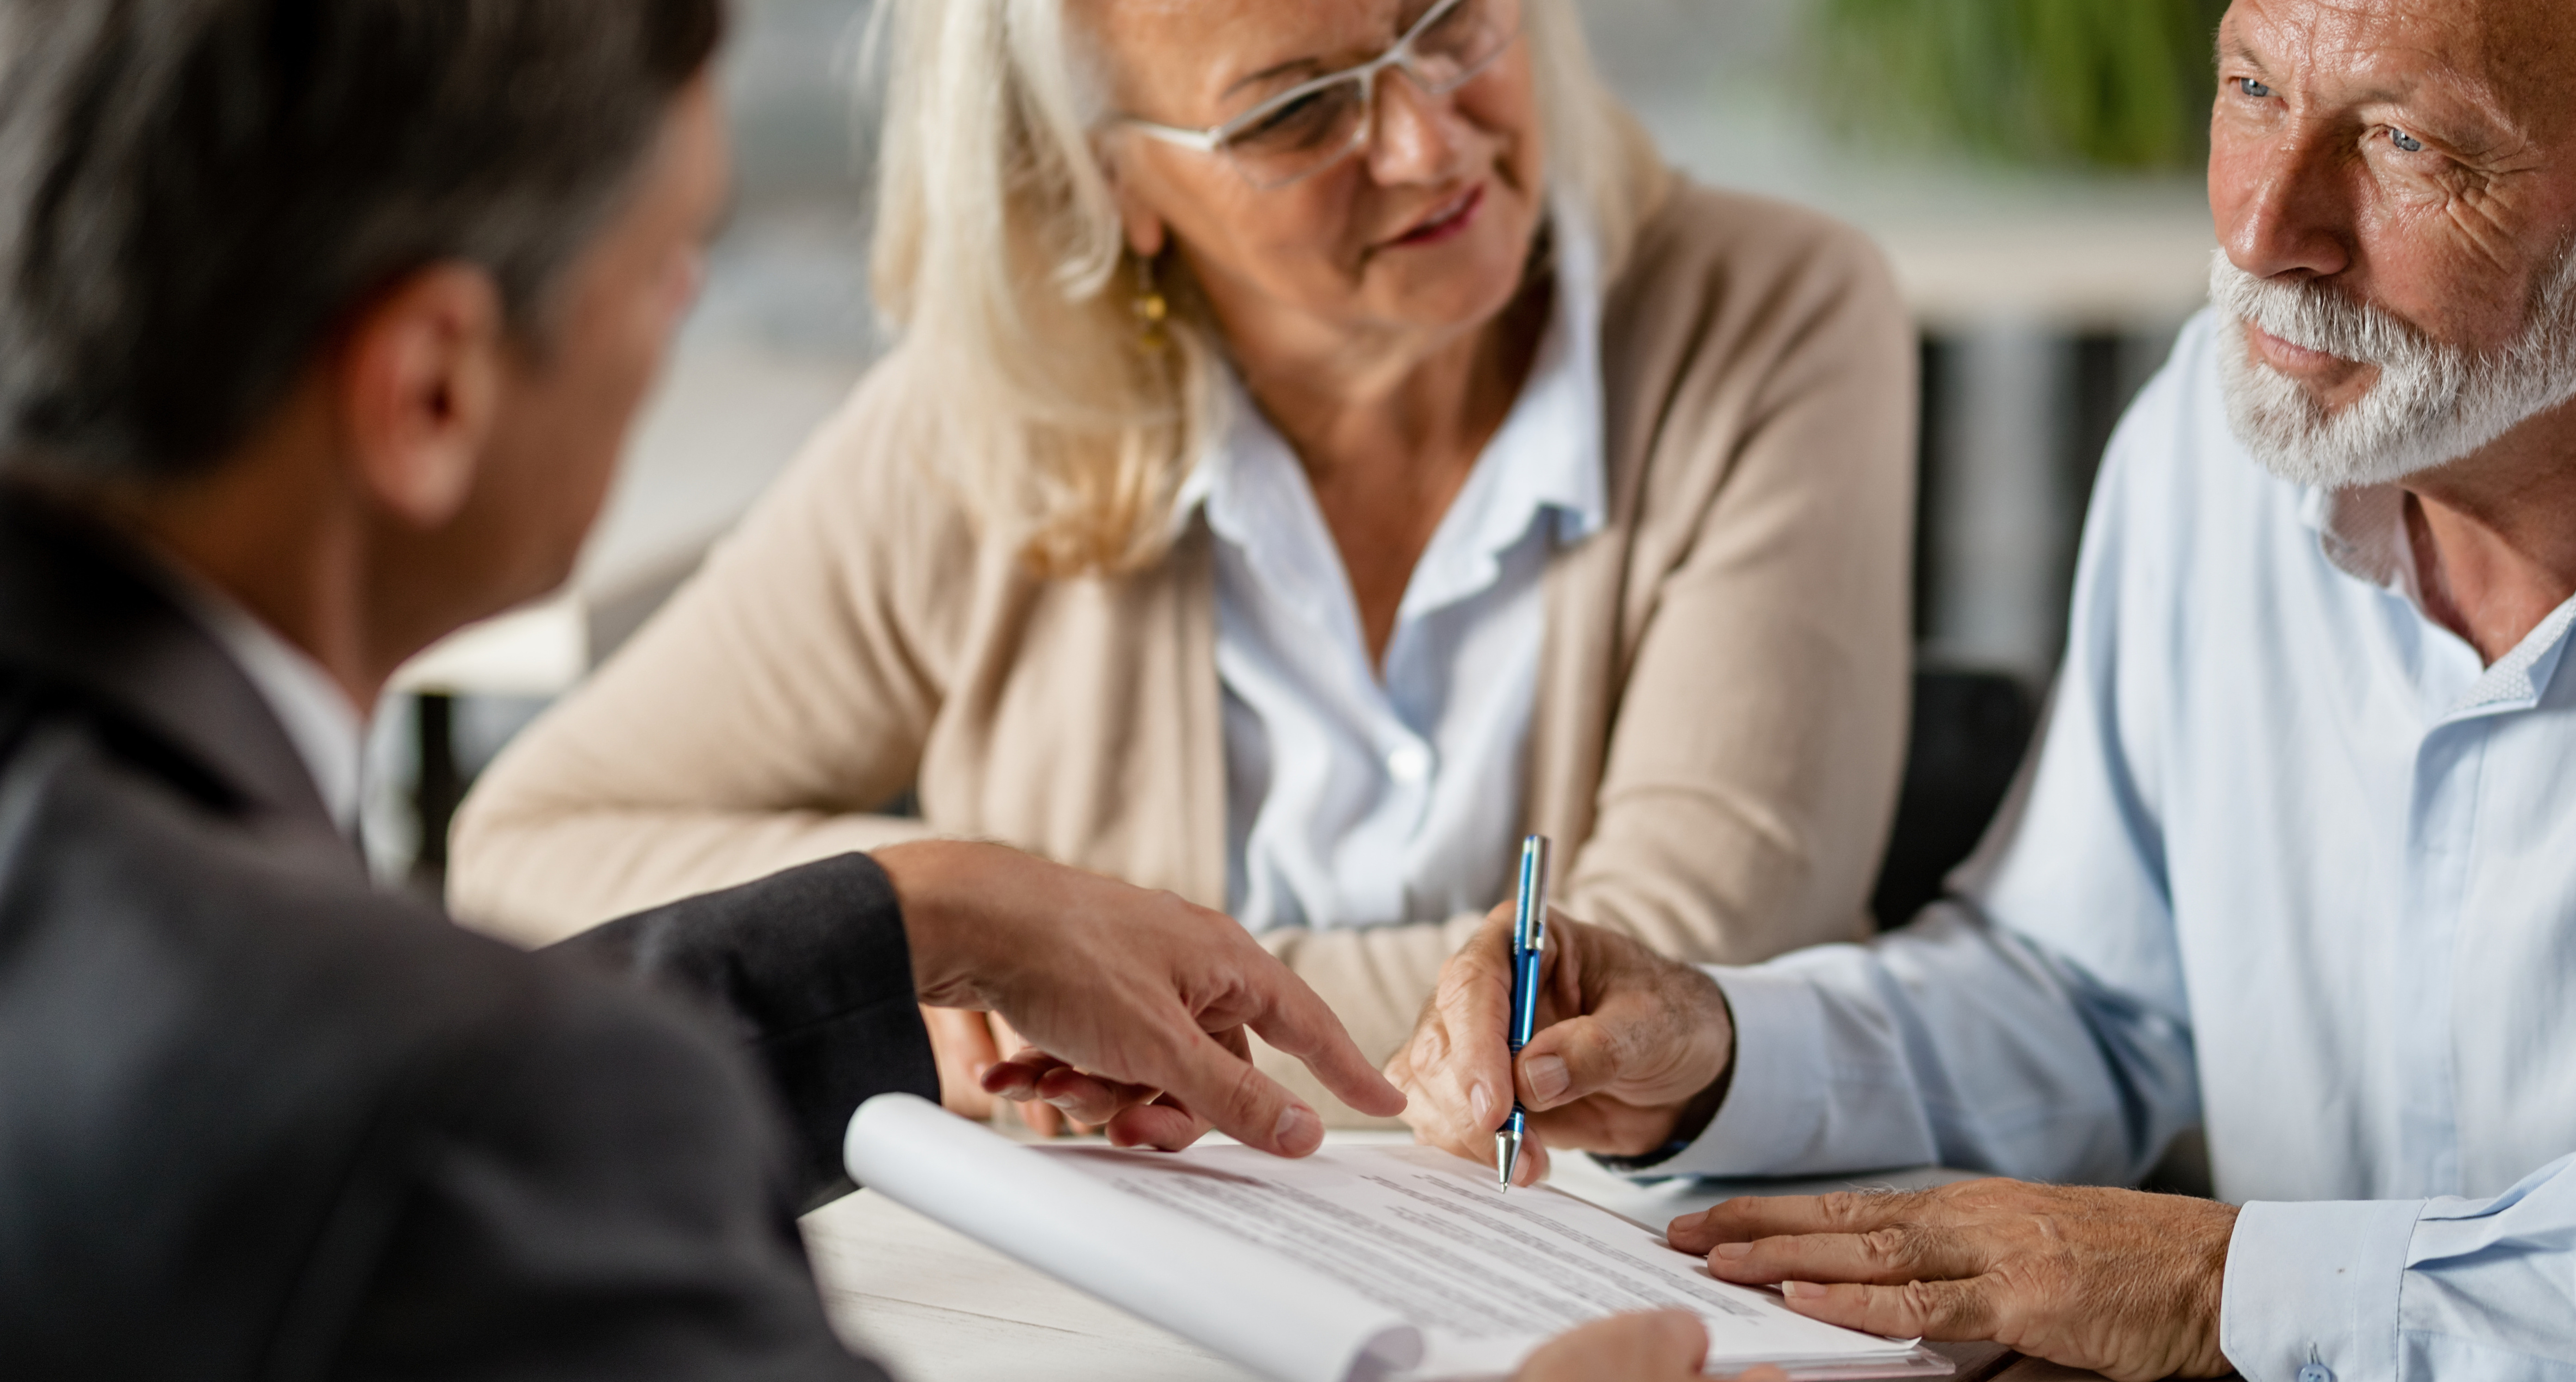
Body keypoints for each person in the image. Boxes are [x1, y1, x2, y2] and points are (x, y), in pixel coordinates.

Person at [0, 4, 1734, 1378]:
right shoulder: (479, 1109)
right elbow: (435, 1115)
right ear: (433, 391)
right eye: (675, 266)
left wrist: (918, 912)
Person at [1387, 0, 2576, 1377]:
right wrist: (1719, 1048)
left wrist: (2248, 1293)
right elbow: (2091, 998)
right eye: (2251, 85)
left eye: (2409, 143)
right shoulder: (2216, 455)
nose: (2268, 228)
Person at [443, 0, 1916, 1127]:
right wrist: (938, 918)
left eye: (1451, 21)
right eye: (1294, 115)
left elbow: (1662, 991)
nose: (1427, 141)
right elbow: (525, 855)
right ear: (1109, 185)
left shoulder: (1776, 316)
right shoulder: (987, 425)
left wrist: (1075, 985)